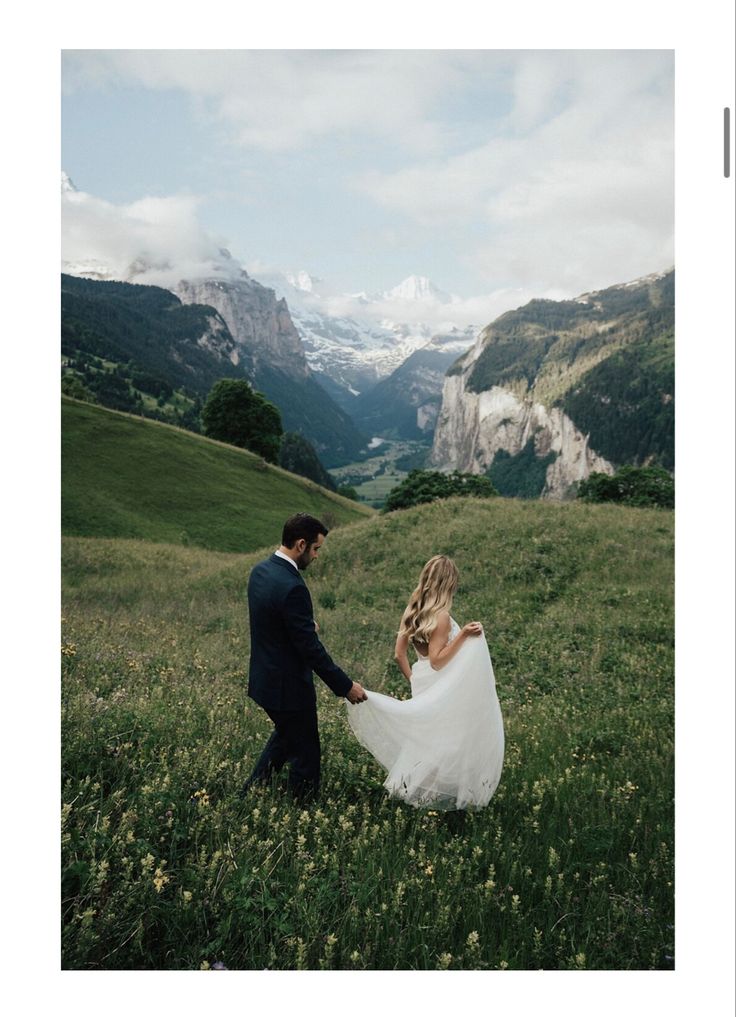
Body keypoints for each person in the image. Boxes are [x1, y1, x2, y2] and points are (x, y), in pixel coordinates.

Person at [346, 554, 504, 810]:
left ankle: (414, 794)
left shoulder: (413, 609)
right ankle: (440, 798)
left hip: (424, 681)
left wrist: (415, 681)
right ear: (447, 583)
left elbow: (399, 654)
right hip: (442, 683)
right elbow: (437, 661)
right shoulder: (440, 616)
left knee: (426, 742)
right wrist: (463, 634)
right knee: (448, 743)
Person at [241, 513, 367, 803]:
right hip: (288, 688)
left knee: (286, 737)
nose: (316, 556)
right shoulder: (293, 586)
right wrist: (346, 686)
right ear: (300, 545)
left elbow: (270, 619)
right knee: (307, 756)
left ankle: (250, 792)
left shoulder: (260, 571)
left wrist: (303, 627)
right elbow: (311, 650)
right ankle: (303, 810)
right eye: (316, 549)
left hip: (264, 679)